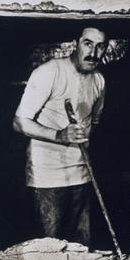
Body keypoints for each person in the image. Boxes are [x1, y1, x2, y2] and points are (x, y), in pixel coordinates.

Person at [13, 27, 108, 246]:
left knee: (81, 251)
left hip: (82, 176)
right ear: (76, 43)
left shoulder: (99, 81)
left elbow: (92, 123)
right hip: (47, 179)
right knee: (48, 252)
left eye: (100, 46)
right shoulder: (49, 72)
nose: (94, 51)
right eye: (88, 43)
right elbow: (19, 122)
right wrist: (59, 135)